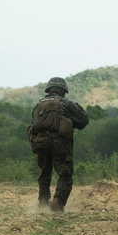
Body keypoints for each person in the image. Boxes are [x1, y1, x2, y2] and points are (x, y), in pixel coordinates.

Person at [28, 77, 90, 212]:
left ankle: (43, 203)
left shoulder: (38, 105)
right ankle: (58, 201)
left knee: (45, 173)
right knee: (65, 175)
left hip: (40, 143)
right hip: (60, 144)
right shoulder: (65, 104)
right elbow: (84, 120)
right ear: (63, 91)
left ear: (48, 90)